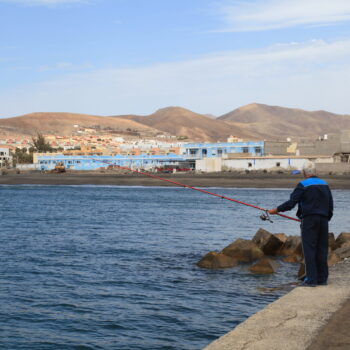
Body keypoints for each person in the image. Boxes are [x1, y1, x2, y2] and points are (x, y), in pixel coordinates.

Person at [268, 160, 333, 287]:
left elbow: (291, 203)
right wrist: (326, 218)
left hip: (309, 220)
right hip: (324, 220)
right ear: (316, 172)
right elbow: (330, 205)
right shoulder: (325, 184)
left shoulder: (303, 185)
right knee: (321, 249)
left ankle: (311, 280)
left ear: (304, 173)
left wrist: (277, 210)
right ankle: (322, 278)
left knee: (309, 249)